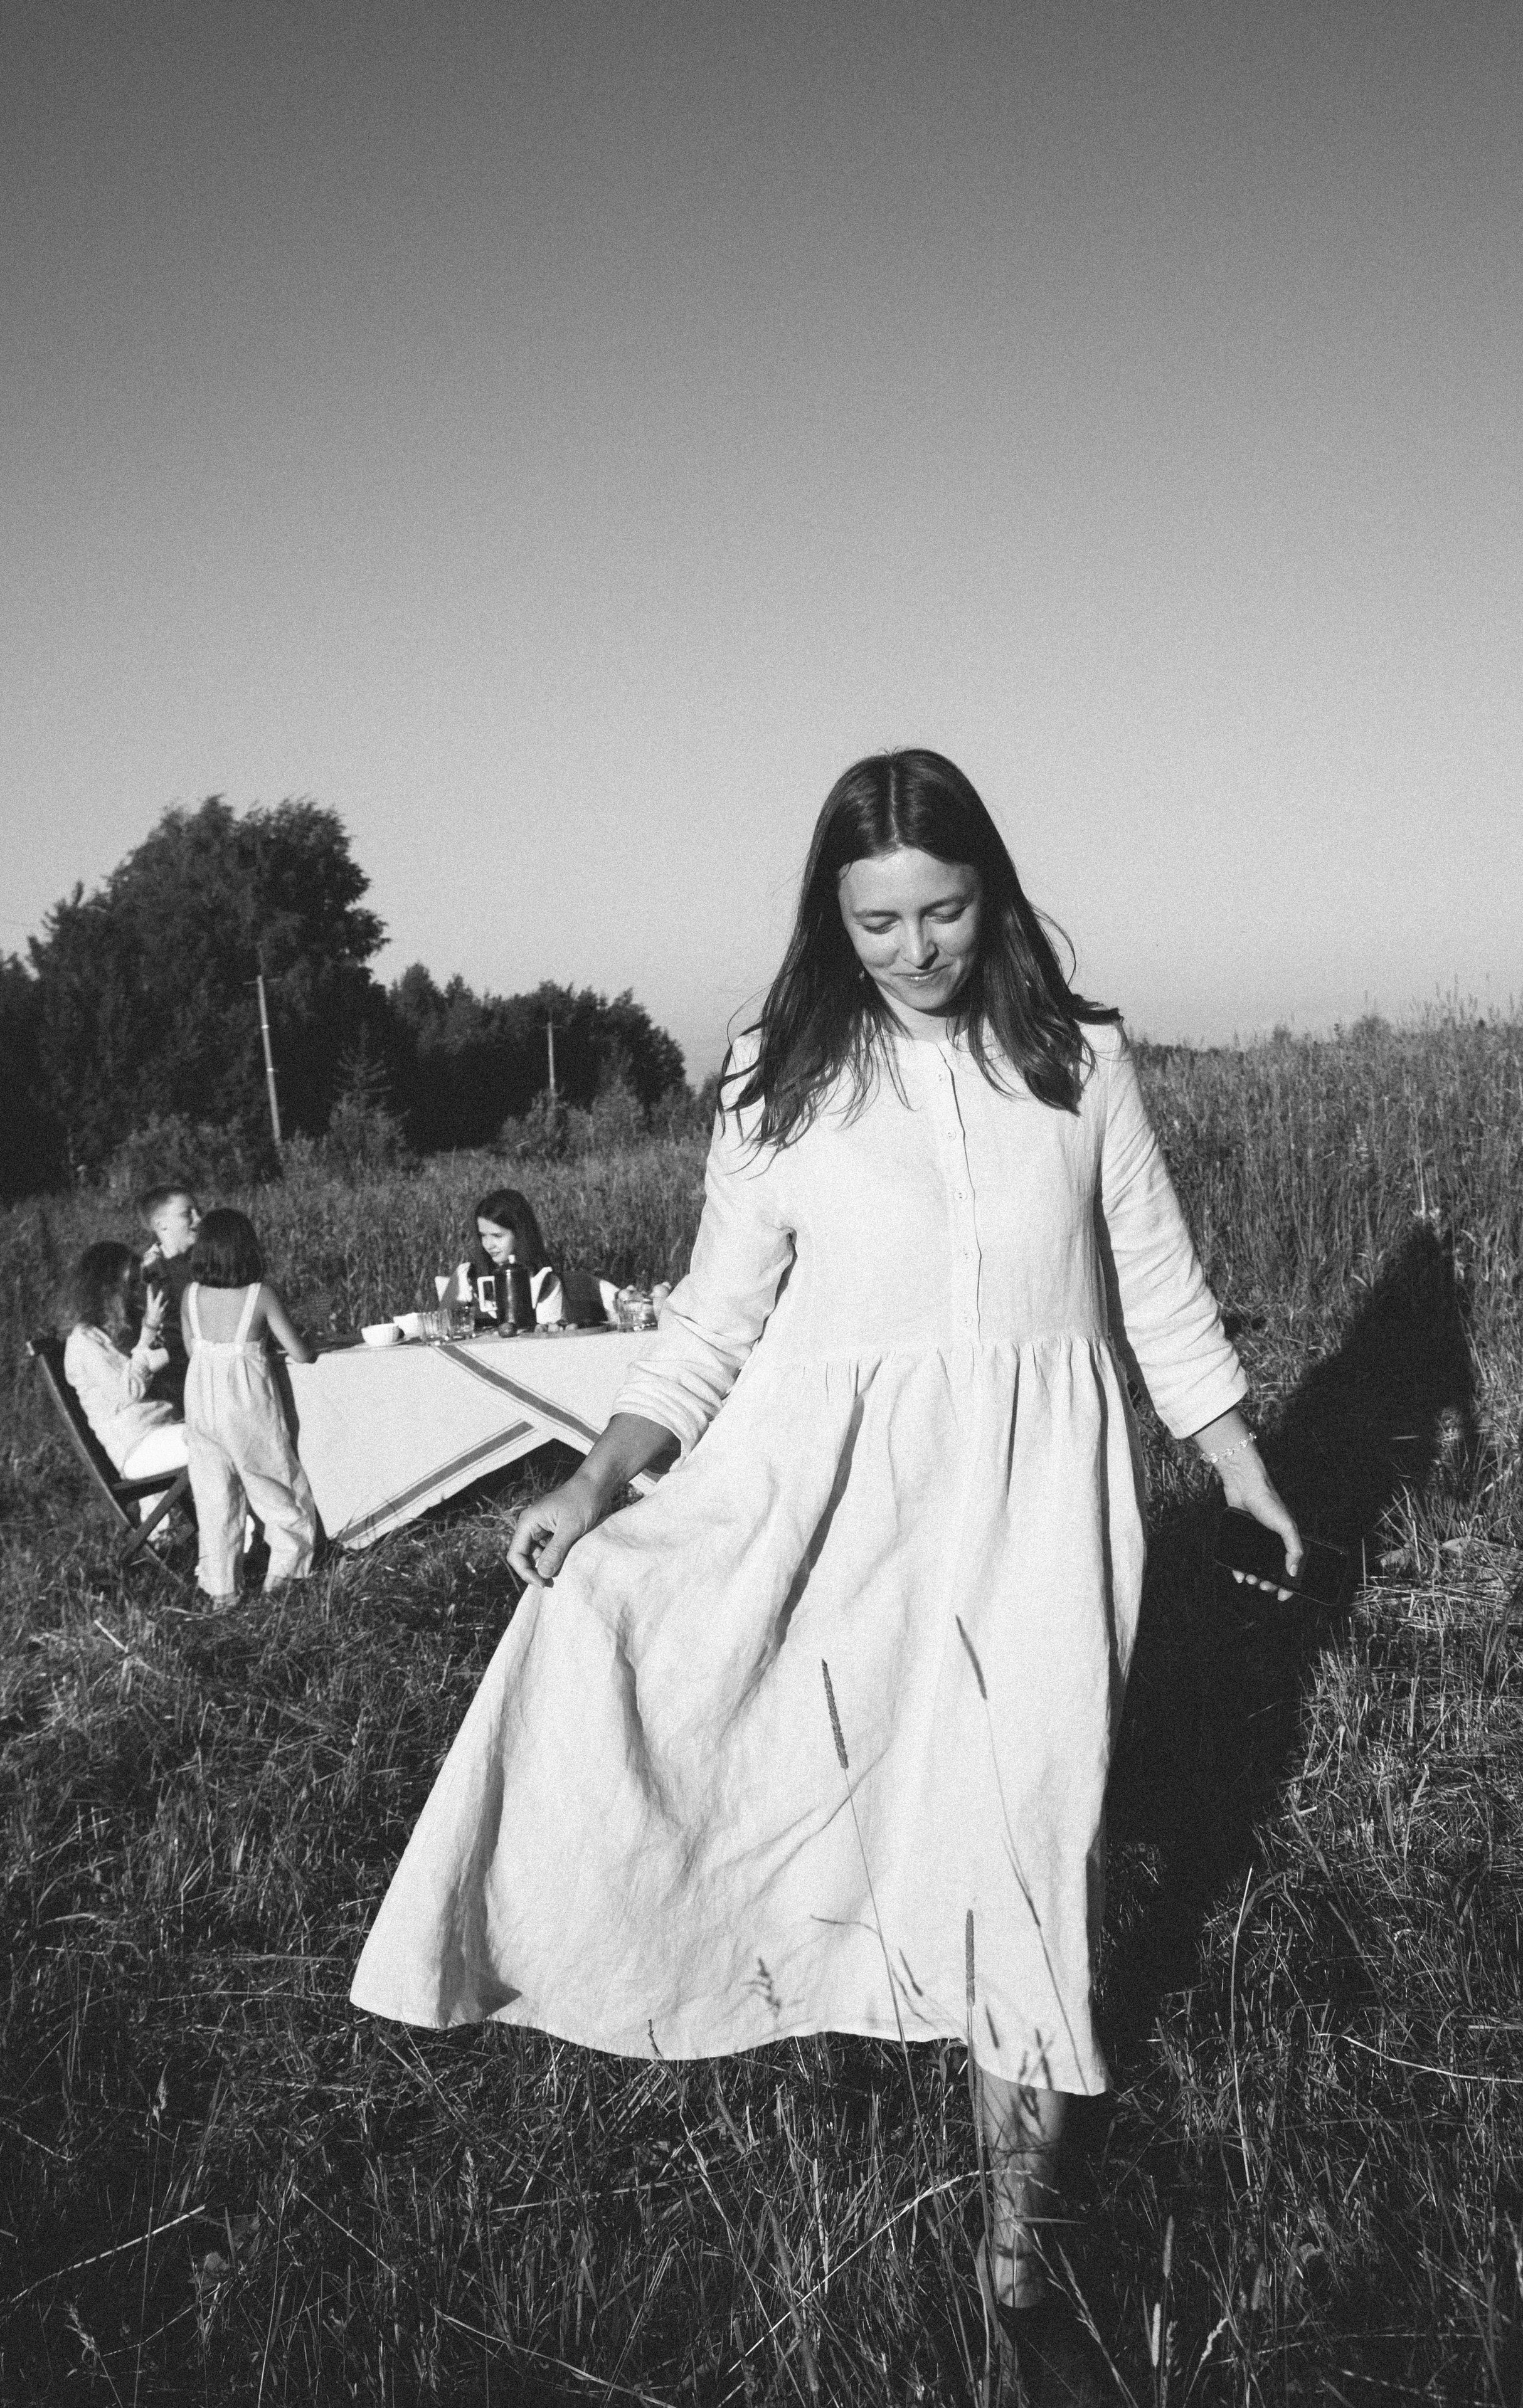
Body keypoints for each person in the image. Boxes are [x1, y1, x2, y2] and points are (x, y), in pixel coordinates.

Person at [351, 750, 1301, 2392]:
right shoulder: (775, 1075)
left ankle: (1014, 2258)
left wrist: (1238, 1460)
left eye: (943, 910)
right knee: (736, 1727)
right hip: (830, 1503)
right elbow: (714, 1325)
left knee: (1031, 1853)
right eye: (879, 923)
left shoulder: (1082, 1062)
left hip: (1037, 1522)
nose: (918, 949)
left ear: (992, 894)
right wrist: (593, 1483)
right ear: (833, 918)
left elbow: (1156, 1283)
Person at [181, 1207, 320, 1605]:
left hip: (201, 1407)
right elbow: (301, 1353)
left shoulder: (190, 1295)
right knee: (277, 1488)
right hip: (245, 1407)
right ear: (249, 1250)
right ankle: (284, 1579)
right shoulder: (260, 1295)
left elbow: (194, 1350)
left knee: (215, 1499)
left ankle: (221, 1590)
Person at [63, 1242, 190, 1482]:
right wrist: (149, 1332)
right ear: (106, 1290)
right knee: (219, 1440)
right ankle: (245, 1520)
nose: (136, 1294)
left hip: (165, 1429)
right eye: (129, 1286)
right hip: (138, 1446)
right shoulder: (84, 1342)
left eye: (136, 1285)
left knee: (226, 1426)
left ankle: (243, 1518)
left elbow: (168, 1360)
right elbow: (129, 1390)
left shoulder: (121, 1331)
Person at [450, 1188, 655, 1328]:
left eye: (497, 1236)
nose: (488, 1245)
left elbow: (549, 1335)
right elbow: (444, 1322)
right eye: (482, 1236)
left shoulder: (545, 1280)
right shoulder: (468, 1277)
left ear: (519, 1234)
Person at [137, 1183, 201, 1412]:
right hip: (178, 1384)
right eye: (188, 1214)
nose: (199, 1219)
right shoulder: (149, 1274)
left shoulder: (204, 1261)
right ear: (161, 1225)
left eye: (198, 1211)